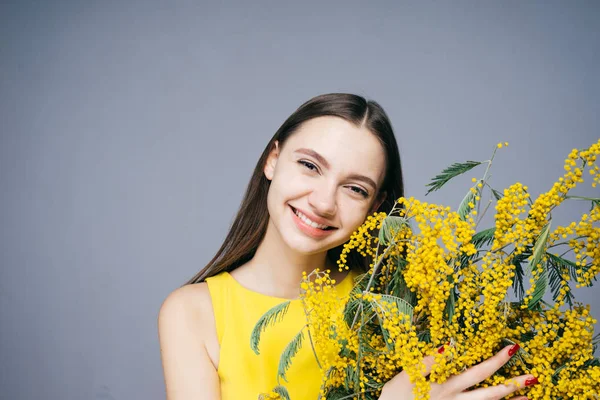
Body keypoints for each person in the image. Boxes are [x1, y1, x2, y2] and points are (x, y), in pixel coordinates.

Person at [158, 93, 536, 400]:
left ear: (375, 207)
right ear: (273, 160)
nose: (323, 202)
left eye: (355, 188)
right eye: (310, 165)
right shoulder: (191, 313)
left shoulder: (401, 303)